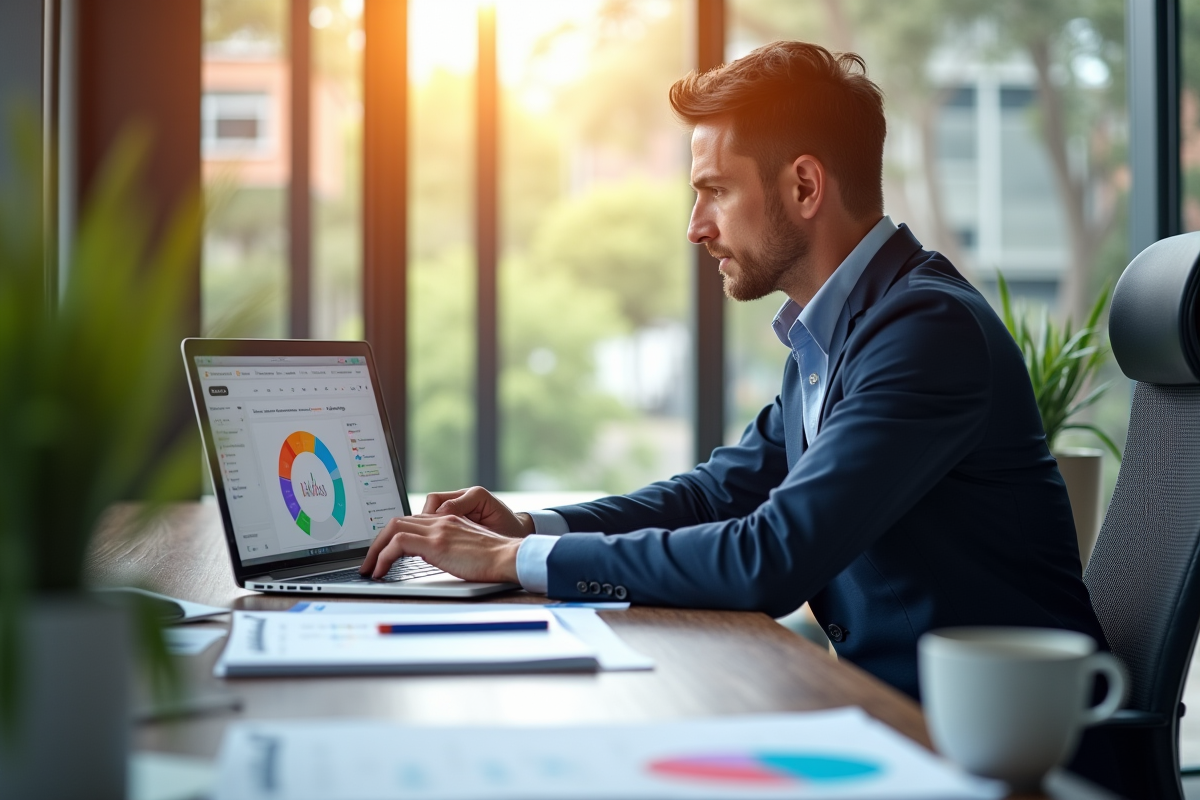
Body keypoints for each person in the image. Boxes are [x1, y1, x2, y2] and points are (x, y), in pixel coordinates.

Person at [359, 40, 1106, 699]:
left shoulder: (924, 333)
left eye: (715, 189)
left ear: (805, 187)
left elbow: (770, 557)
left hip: (1005, 751)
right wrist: (529, 525)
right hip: (903, 717)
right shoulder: (836, 334)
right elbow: (717, 495)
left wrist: (516, 560)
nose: (695, 226)